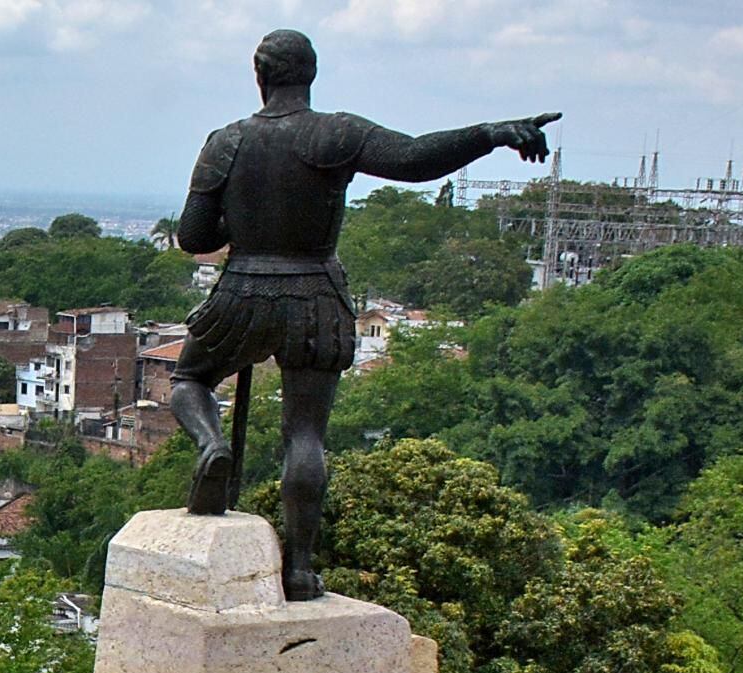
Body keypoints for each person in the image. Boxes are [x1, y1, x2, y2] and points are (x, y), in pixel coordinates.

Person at [169, 30, 556, 598]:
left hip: (245, 288)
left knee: (190, 378)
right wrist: (490, 134)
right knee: (305, 434)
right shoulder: (336, 133)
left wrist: (241, 222)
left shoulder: (226, 142)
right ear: (311, 75)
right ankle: (299, 569)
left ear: (260, 75)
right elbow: (416, 158)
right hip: (316, 294)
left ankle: (211, 445)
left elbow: (194, 234)